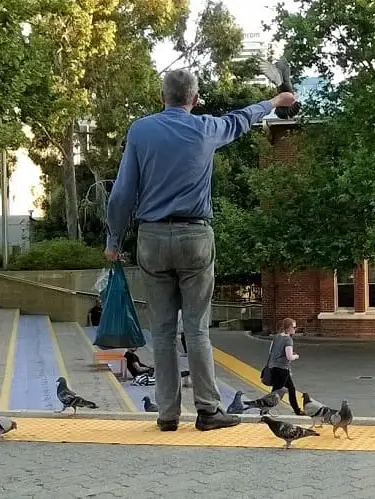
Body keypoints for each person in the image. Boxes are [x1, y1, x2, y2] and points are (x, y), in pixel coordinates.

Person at [104, 68, 297, 432]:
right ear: (195, 99)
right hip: (195, 238)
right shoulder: (206, 128)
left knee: (161, 331)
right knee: (196, 330)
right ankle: (208, 411)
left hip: (152, 238)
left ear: (162, 96)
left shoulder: (140, 131)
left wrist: (113, 241)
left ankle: (167, 414)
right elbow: (243, 117)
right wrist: (275, 101)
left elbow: (121, 195)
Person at [268, 318, 304, 415]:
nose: (295, 329)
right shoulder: (288, 340)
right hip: (283, 369)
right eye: (294, 327)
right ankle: (265, 409)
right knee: (276, 391)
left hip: (274, 367)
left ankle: (297, 410)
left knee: (291, 389)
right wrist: (296, 356)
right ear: (288, 328)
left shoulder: (276, 337)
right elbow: (289, 357)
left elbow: (270, 351)